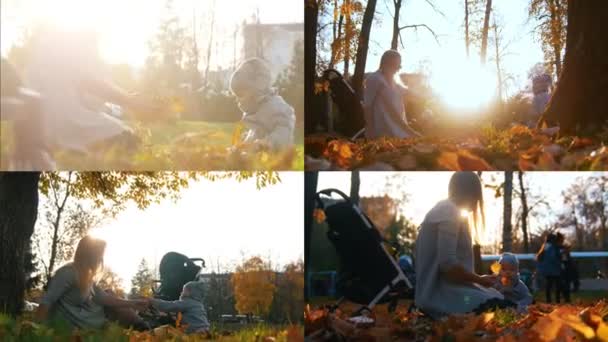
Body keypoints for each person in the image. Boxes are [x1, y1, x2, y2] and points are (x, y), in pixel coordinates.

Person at [24, 25, 156, 160]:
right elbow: (90, 83)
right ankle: (79, 151)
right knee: (130, 141)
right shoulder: (76, 42)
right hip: (64, 123)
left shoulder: (44, 42)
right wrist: (130, 101)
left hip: (33, 127)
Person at [414, 172, 508, 319]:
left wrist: (479, 279)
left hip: (438, 292)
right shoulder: (449, 211)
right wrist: (479, 280)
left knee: (500, 297)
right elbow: (448, 265)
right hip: (442, 296)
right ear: (472, 192)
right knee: (506, 305)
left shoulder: (443, 209)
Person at [35, 236, 149, 330]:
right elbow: (47, 300)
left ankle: (143, 326)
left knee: (109, 293)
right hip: (82, 325)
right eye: (99, 256)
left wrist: (133, 303)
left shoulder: (86, 276)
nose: (100, 260)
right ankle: (144, 327)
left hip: (94, 321)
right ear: (89, 255)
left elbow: (104, 298)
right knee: (111, 299)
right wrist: (37, 328)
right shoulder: (67, 273)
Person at [230, 58, 295, 149]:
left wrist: (268, 143)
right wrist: (245, 143)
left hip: (277, 156)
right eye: (235, 96)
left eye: (240, 95)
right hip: (260, 156)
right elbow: (258, 132)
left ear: (256, 90)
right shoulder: (256, 110)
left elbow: (284, 130)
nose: (237, 100)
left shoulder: (275, 107)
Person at [363, 50, 420, 139]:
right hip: (384, 133)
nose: (399, 68)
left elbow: (408, 92)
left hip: (399, 132)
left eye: (400, 65)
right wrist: (370, 129)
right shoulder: (375, 79)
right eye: (397, 64)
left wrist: (426, 96)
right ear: (387, 63)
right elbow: (368, 106)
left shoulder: (393, 82)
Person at [535, 232, 562, 303]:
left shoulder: (545, 246)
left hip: (546, 270)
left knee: (549, 285)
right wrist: (560, 264)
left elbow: (540, 259)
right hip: (554, 270)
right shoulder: (553, 247)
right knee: (557, 285)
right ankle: (557, 301)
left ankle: (548, 301)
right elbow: (553, 258)